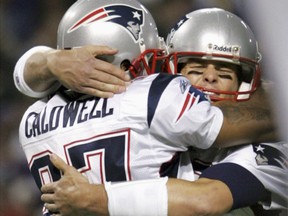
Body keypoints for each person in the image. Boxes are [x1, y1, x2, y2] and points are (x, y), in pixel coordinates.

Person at [39, 8, 288, 216]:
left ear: (246, 85)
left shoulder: (267, 147)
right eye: (195, 69)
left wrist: (95, 197)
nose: (210, 78)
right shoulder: (147, 132)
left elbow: (207, 198)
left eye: (225, 74)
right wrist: (45, 62)